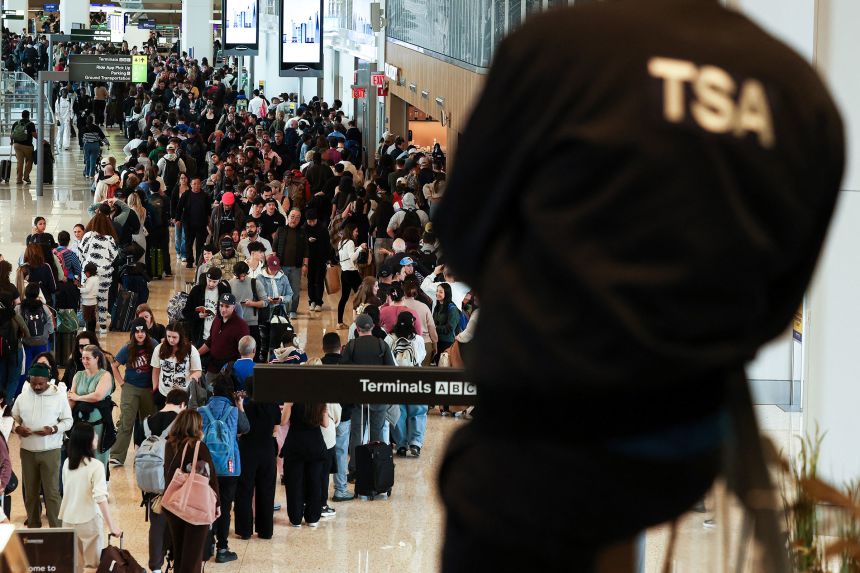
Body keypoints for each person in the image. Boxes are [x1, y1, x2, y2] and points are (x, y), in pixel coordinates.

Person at [12, 362, 73, 528]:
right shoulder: (22, 397)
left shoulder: (58, 396)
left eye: (40, 383)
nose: (37, 387)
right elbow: (12, 419)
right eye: (33, 383)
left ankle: (57, 530)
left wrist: (53, 429)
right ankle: (33, 527)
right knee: (30, 494)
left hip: (50, 450)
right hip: (27, 451)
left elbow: (68, 421)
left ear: (48, 380)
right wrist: (17, 428)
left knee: (51, 493)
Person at [198, 374, 249, 563]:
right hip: (230, 467)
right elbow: (246, 428)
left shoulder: (202, 410)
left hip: (206, 467)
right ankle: (222, 548)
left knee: (208, 505)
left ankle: (206, 545)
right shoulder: (233, 411)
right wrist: (239, 405)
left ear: (212, 391)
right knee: (225, 508)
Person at [59, 423, 122, 570]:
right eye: (94, 435)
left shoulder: (68, 463)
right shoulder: (96, 466)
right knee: (94, 565)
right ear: (87, 441)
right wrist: (112, 525)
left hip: (68, 519)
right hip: (89, 520)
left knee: (74, 566)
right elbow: (100, 498)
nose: (97, 436)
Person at [163, 409, 220, 573]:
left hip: (173, 503)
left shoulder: (169, 443)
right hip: (195, 505)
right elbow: (211, 478)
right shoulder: (198, 447)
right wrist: (217, 504)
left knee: (179, 552)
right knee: (193, 556)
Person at [138, 389, 188, 573]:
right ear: (183, 404)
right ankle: (174, 559)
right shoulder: (181, 422)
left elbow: (138, 449)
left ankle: (156, 566)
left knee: (156, 525)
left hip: (151, 480)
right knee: (177, 522)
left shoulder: (146, 421)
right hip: (174, 478)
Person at [235, 376, 284, 539]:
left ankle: (244, 530)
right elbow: (276, 430)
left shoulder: (244, 406)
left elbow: (240, 430)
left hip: (247, 450)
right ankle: (265, 531)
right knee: (266, 491)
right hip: (267, 449)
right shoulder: (273, 405)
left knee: (244, 491)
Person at [341, 313, 395, 459]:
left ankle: (355, 469)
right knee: (376, 435)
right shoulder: (381, 344)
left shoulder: (351, 346)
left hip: (357, 398)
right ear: (372, 327)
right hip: (378, 396)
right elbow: (391, 370)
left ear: (357, 329)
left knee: (357, 435)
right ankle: (376, 469)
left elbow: (343, 372)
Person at [109, 319, 158, 468]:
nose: (140, 334)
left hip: (149, 388)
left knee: (149, 422)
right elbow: (114, 365)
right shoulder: (128, 348)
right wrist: (122, 383)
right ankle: (117, 455)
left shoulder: (154, 345)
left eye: (142, 331)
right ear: (133, 333)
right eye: (137, 331)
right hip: (130, 386)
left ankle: (149, 453)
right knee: (126, 420)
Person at [280, 401, 329, 528]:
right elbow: (325, 424)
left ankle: (295, 518)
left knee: (294, 483)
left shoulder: (292, 398)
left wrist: (287, 405)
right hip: (315, 445)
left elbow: (283, 421)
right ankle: (313, 517)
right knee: (315, 482)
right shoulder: (319, 398)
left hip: (295, 445)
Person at [386, 312, 428, 458]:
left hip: (395, 380)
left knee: (398, 412)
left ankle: (401, 444)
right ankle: (415, 442)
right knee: (418, 411)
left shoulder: (389, 338)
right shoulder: (418, 340)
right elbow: (421, 357)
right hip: (415, 378)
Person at [68, 345, 113, 475]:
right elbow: (72, 397)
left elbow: (98, 396)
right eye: (83, 358)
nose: (84, 361)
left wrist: (78, 397)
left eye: (88, 358)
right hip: (80, 424)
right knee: (80, 457)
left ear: (96, 358)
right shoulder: (79, 375)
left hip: (98, 425)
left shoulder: (105, 375)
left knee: (98, 457)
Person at [79, 210, 119, 333]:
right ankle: (102, 326)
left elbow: (81, 254)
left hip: (89, 272)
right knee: (103, 298)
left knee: (87, 299)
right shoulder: (109, 239)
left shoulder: (88, 236)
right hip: (105, 272)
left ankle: (88, 324)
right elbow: (114, 255)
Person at [198, 293, 249, 384]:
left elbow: (244, 352)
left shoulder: (241, 326)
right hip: (213, 367)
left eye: (227, 306)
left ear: (233, 307)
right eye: (221, 305)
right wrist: (196, 353)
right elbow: (210, 341)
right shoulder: (217, 319)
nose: (223, 309)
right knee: (208, 393)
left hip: (229, 371)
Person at [151, 323, 204, 409]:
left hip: (183, 395)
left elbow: (198, 371)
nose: (171, 340)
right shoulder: (159, 348)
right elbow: (156, 369)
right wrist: (155, 388)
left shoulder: (191, 350)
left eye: (174, 337)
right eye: (168, 336)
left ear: (181, 336)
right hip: (164, 393)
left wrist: (192, 377)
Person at [15, 283, 55, 399]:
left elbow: (16, 322)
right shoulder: (43, 306)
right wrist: (47, 333)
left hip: (26, 343)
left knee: (25, 369)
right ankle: (42, 391)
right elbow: (50, 323)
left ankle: (21, 395)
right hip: (42, 342)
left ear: (25, 294)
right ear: (38, 294)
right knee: (42, 367)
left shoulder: (19, 307)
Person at [255, 254, 293, 362]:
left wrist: (281, 299)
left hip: (279, 313)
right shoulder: (259, 278)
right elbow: (257, 295)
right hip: (265, 313)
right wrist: (267, 299)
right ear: (267, 267)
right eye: (272, 269)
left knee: (276, 342)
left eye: (276, 269)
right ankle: (261, 364)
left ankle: (274, 363)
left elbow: (290, 294)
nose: (274, 271)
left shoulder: (283, 278)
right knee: (264, 341)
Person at [182, 267, 231, 348]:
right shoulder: (196, 290)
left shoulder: (224, 291)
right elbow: (186, 312)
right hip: (199, 336)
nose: (211, 284)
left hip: (218, 335)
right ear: (206, 278)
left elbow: (230, 312)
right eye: (209, 280)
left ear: (220, 280)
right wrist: (198, 315)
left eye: (214, 282)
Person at [273, 209, 307, 319]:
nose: (294, 219)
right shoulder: (281, 230)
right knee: (282, 290)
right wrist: (274, 265)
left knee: (295, 291)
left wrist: (305, 265)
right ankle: (284, 310)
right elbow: (274, 248)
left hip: (296, 267)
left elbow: (306, 251)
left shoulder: (302, 232)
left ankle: (293, 310)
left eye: (297, 218)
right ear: (288, 217)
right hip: (281, 267)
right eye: (292, 216)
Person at [229, 261, 267, 357]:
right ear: (234, 274)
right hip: (235, 323)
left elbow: (265, 302)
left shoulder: (255, 283)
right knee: (236, 352)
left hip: (252, 324)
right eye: (239, 276)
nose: (242, 278)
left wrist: (252, 303)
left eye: (244, 275)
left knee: (255, 351)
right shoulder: (230, 284)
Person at [335, 224, 367, 329]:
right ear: (351, 231)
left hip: (344, 273)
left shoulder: (341, 242)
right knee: (361, 297)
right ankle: (360, 322)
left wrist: (356, 248)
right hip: (352, 273)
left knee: (344, 298)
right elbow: (352, 257)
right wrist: (360, 248)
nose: (357, 233)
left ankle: (339, 323)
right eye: (356, 231)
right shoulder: (351, 242)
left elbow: (346, 255)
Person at [0, 292, 28, 407]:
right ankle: (7, 405)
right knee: (13, 379)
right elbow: (27, 332)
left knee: (1, 378)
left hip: (0, 352)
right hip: (15, 350)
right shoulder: (14, 315)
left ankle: (1, 404)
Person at [178, 177, 213, 267]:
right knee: (188, 243)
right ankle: (189, 261)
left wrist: (209, 221)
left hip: (201, 224)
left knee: (200, 244)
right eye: (194, 184)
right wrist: (177, 219)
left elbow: (208, 210)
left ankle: (198, 261)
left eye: (198, 184)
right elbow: (179, 207)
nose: (196, 186)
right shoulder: (186, 194)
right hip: (188, 223)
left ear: (200, 184)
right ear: (191, 185)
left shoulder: (205, 195)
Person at [303, 209, 330, 313]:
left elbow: (327, 244)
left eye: (313, 221)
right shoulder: (305, 227)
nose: (311, 223)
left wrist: (327, 259)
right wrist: (308, 240)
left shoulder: (323, 228)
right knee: (310, 280)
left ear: (316, 219)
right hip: (309, 258)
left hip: (320, 258)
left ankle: (319, 302)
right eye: (309, 221)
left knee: (319, 280)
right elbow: (302, 243)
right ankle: (312, 301)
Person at [432, 283, 460, 363]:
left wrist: (435, 328)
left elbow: (450, 328)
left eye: (441, 292)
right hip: (437, 341)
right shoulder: (437, 307)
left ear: (446, 293)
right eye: (437, 291)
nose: (437, 293)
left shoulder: (452, 309)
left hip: (447, 343)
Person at [11, 109, 36, 184]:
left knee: (20, 162)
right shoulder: (31, 124)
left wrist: (11, 142)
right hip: (27, 146)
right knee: (30, 160)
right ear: (28, 116)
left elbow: (12, 135)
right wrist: (42, 140)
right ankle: (26, 177)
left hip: (17, 145)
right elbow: (34, 135)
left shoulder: (16, 123)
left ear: (21, 115)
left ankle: (19, 179)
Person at [80, 115, 109, 179]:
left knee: (87, 160)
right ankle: (91, 175)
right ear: (92, 120)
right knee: (93, 160)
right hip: (95, 145)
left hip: (87, 145)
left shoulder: (83, 128)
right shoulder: (96, 128)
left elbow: (82, 138)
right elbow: (102, 137)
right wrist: (107, 143)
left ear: (86, 121)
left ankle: (87, 174)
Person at [80, 264, 99, 334]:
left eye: (86, 272)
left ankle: (88, 333)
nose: (85, 274)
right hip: (93, 301)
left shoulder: (90, 279)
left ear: (89, 272)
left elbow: (87, 290)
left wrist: (78, 289)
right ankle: (92, 332)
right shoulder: (96, 278)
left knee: (87, 318)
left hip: (87, 302)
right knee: (92, 317)